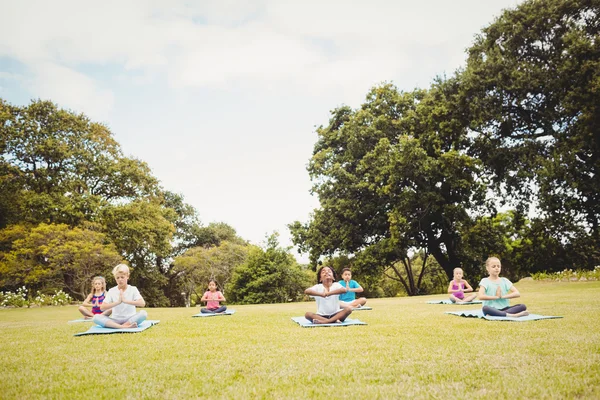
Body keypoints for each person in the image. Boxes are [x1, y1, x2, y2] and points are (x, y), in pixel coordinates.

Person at [93, 264, 147, 329]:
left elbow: (142, 303)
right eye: (117, 278)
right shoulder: (112, 290)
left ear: (127, 276)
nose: (120, 280)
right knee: (96, 317)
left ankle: (123, 325)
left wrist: (125, 301)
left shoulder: (133, 289)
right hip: (115, 320)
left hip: (130, 319)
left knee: (143, 314)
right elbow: (102, 307)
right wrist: (117, 302)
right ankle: (123, 327)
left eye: (122, 277)